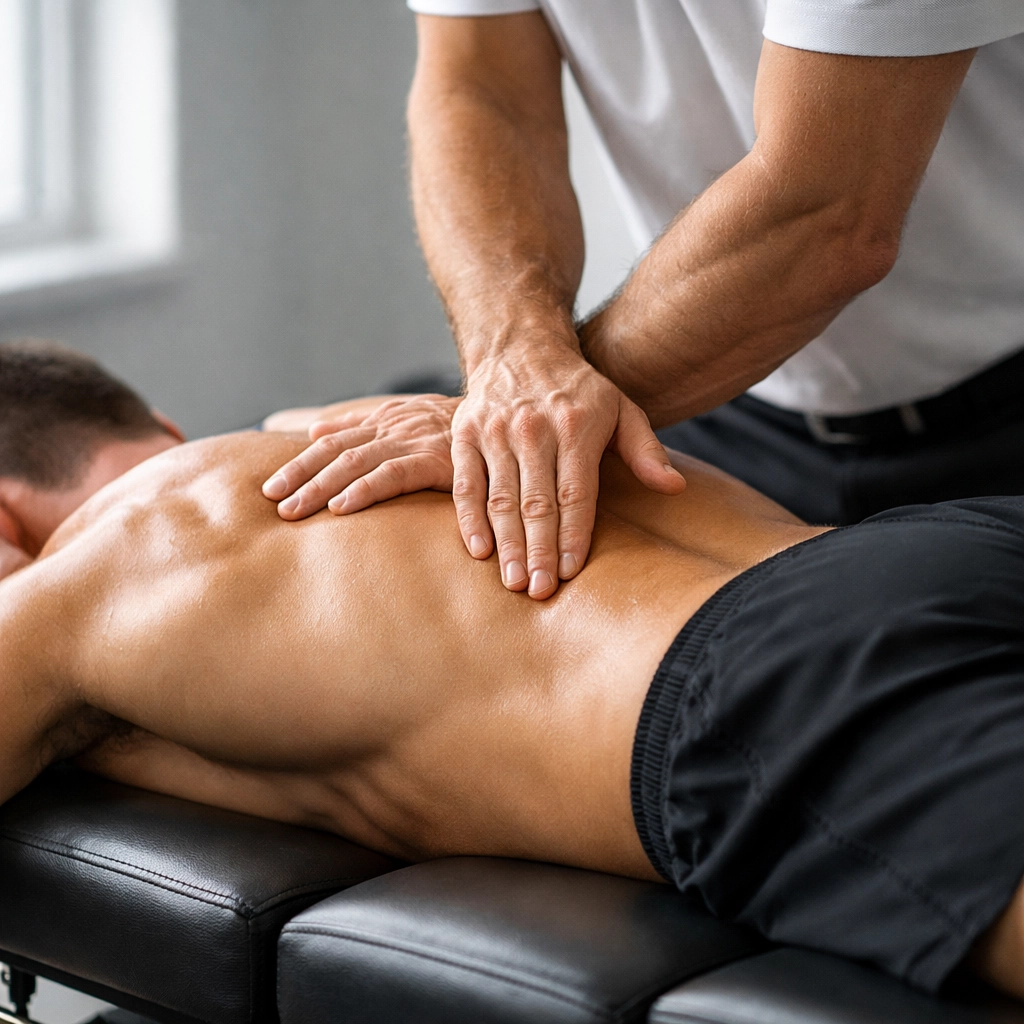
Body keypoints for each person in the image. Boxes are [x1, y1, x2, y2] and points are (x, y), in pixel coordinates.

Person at [4, 341, 1024, 1000]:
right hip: (929, 544)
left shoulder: (78, 588)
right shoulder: (360, 421)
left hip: (770, 684)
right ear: (163, 430)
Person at [264, 2, 1024, 603]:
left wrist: (538, 416)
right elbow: (481, 92)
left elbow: (826, 215)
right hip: (723, 406)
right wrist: (515, 363)